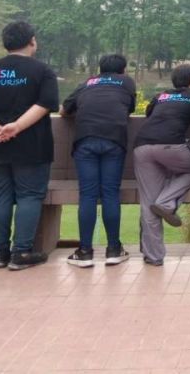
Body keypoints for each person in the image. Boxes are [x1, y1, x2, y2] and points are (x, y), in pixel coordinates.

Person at [0, 21, 59, 271]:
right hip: (32, 145)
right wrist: (16, 127)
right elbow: (45, 103)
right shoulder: (42, 71)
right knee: (29, 195)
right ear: (32, 41)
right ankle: (21, 252)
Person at [60, 54, 137, 268]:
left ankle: (85, 252)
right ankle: (114, 250)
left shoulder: (87, 83)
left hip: (85, 140)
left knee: (88, 195)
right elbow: (129, 108)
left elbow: (64, 110)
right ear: (123, 70)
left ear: (100, 70)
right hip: (114, 140)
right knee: (110, 193)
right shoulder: (127, 82)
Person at [133, 63, 190, 266]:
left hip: (142, 146)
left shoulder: (161, 95)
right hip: (172, 145)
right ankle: (167, 202)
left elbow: (150, 114)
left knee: (148, 203)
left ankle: (153, 256)